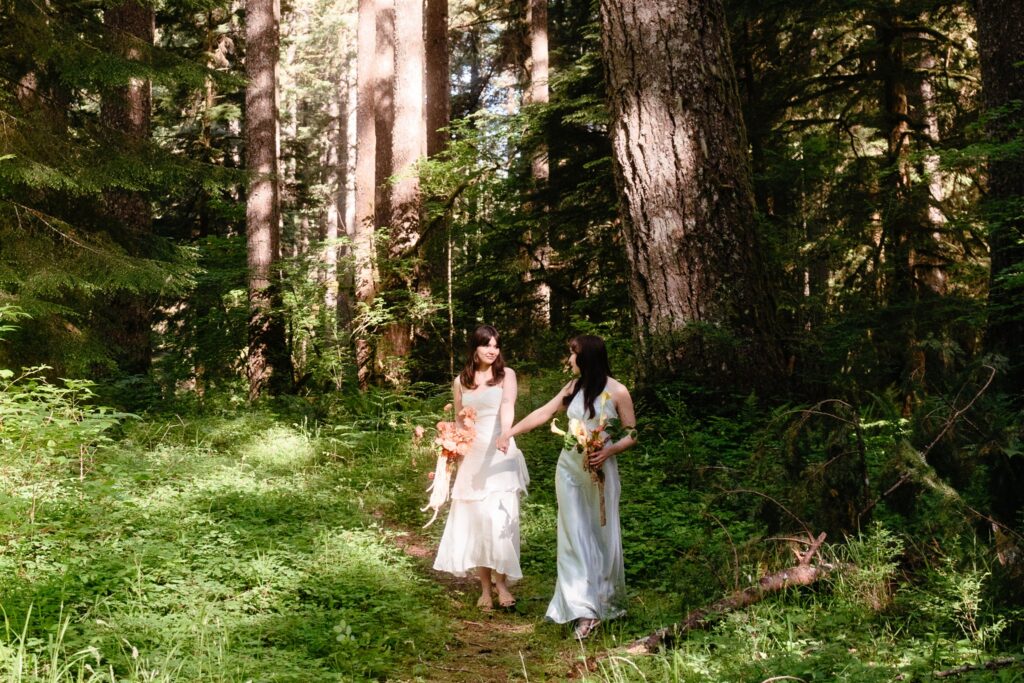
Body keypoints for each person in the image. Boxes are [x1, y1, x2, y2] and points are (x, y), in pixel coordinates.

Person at [497, 335, 637, 639]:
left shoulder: (618, 391)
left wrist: (609, 451)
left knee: (600, 535)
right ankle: (581, 609)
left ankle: (604, 600)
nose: (569, 360)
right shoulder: (573, 388)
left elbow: (633, 434)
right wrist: (509, 433)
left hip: (600, 471)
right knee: (573, 534)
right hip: (569, 470)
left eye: (573, 354)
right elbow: (544, 413)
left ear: (587, 357)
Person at [433, 325, 530, 611]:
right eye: (486, 345)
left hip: (500, 449)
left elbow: (508, 405)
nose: (492, 350)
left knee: (499, 518)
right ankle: (485, 589)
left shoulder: (506, 375)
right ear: (475, 348)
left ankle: (502, 585)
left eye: (496, 346)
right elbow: (460, 419)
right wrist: (454, 445)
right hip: (473, 454)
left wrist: (506, 434)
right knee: (477, 520)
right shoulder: (461, 380)